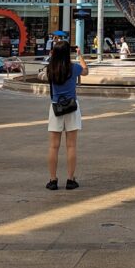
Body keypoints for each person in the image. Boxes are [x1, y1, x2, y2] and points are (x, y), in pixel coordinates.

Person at [46, 40, 88, 190]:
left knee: (53, 146)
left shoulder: (50, 69)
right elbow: (86, 70)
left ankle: (52, 180)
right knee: (71, 146)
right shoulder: (73, 68)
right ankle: (70, 180)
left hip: (55, 108)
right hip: (72, 107)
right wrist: (80, 55)